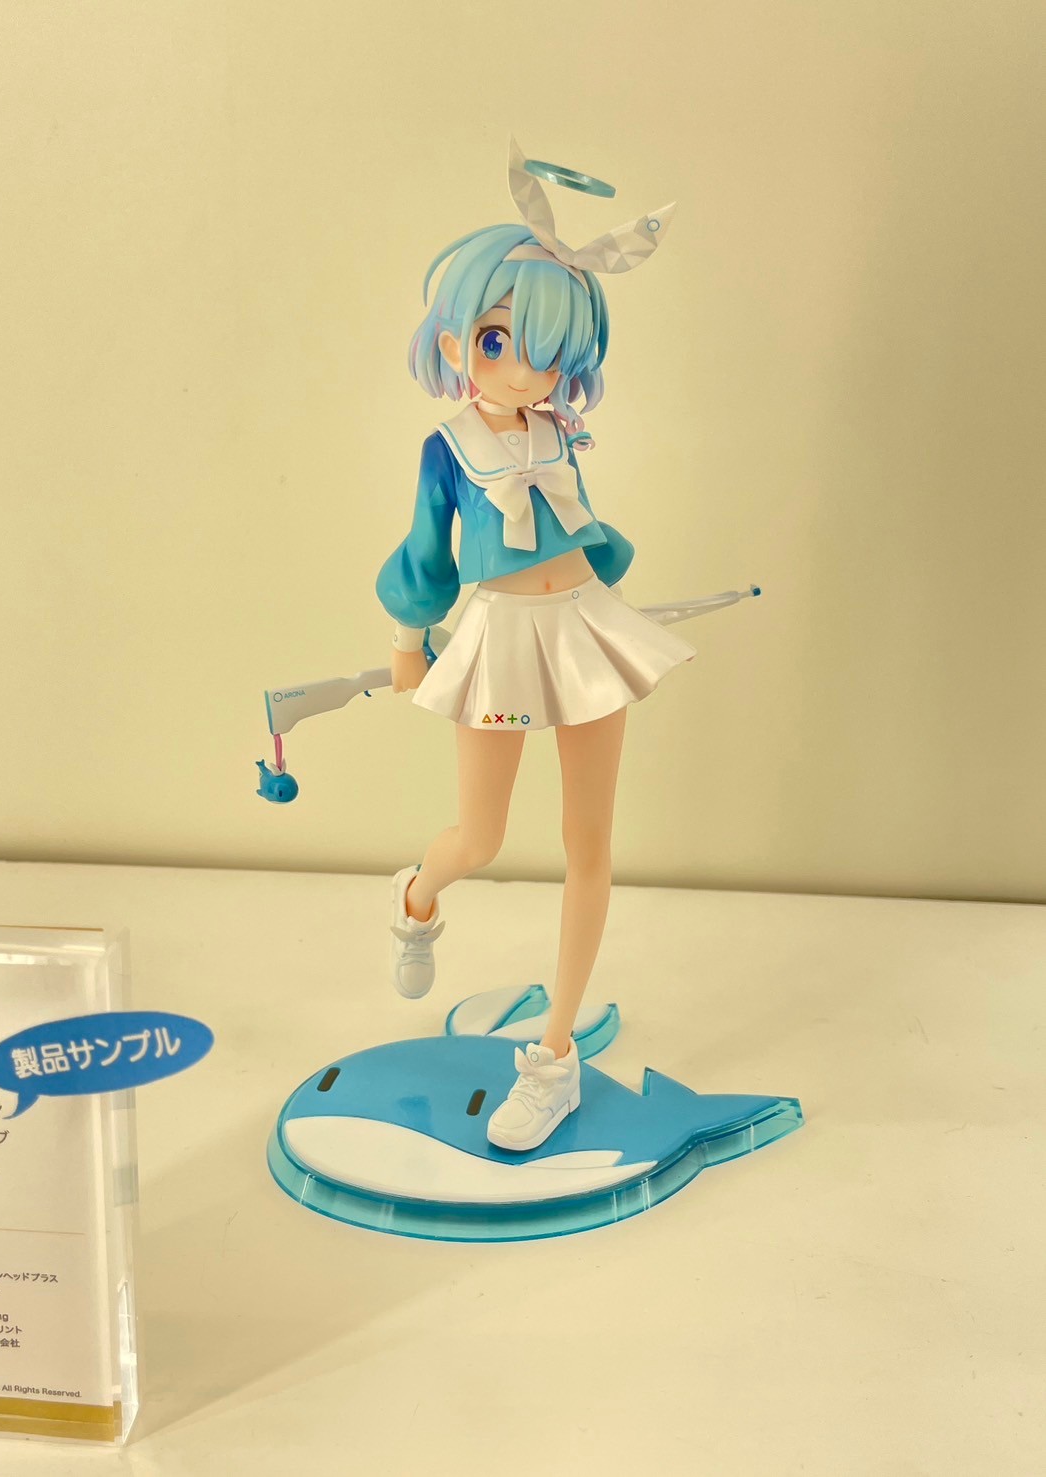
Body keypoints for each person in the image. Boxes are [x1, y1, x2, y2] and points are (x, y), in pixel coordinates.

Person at [376, 145, 694, 1152]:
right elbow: (425, 554)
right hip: (502, 648)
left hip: (584, 634)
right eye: (496, 340)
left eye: (545, 351)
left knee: (589, 846)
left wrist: (612, 598)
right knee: (480, 837)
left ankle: (554, 1056)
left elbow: (582, 530)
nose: (521, 368)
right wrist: (409, 639)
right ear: (457, 340)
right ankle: (417, 896)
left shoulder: (559, 434)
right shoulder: (448, 448)